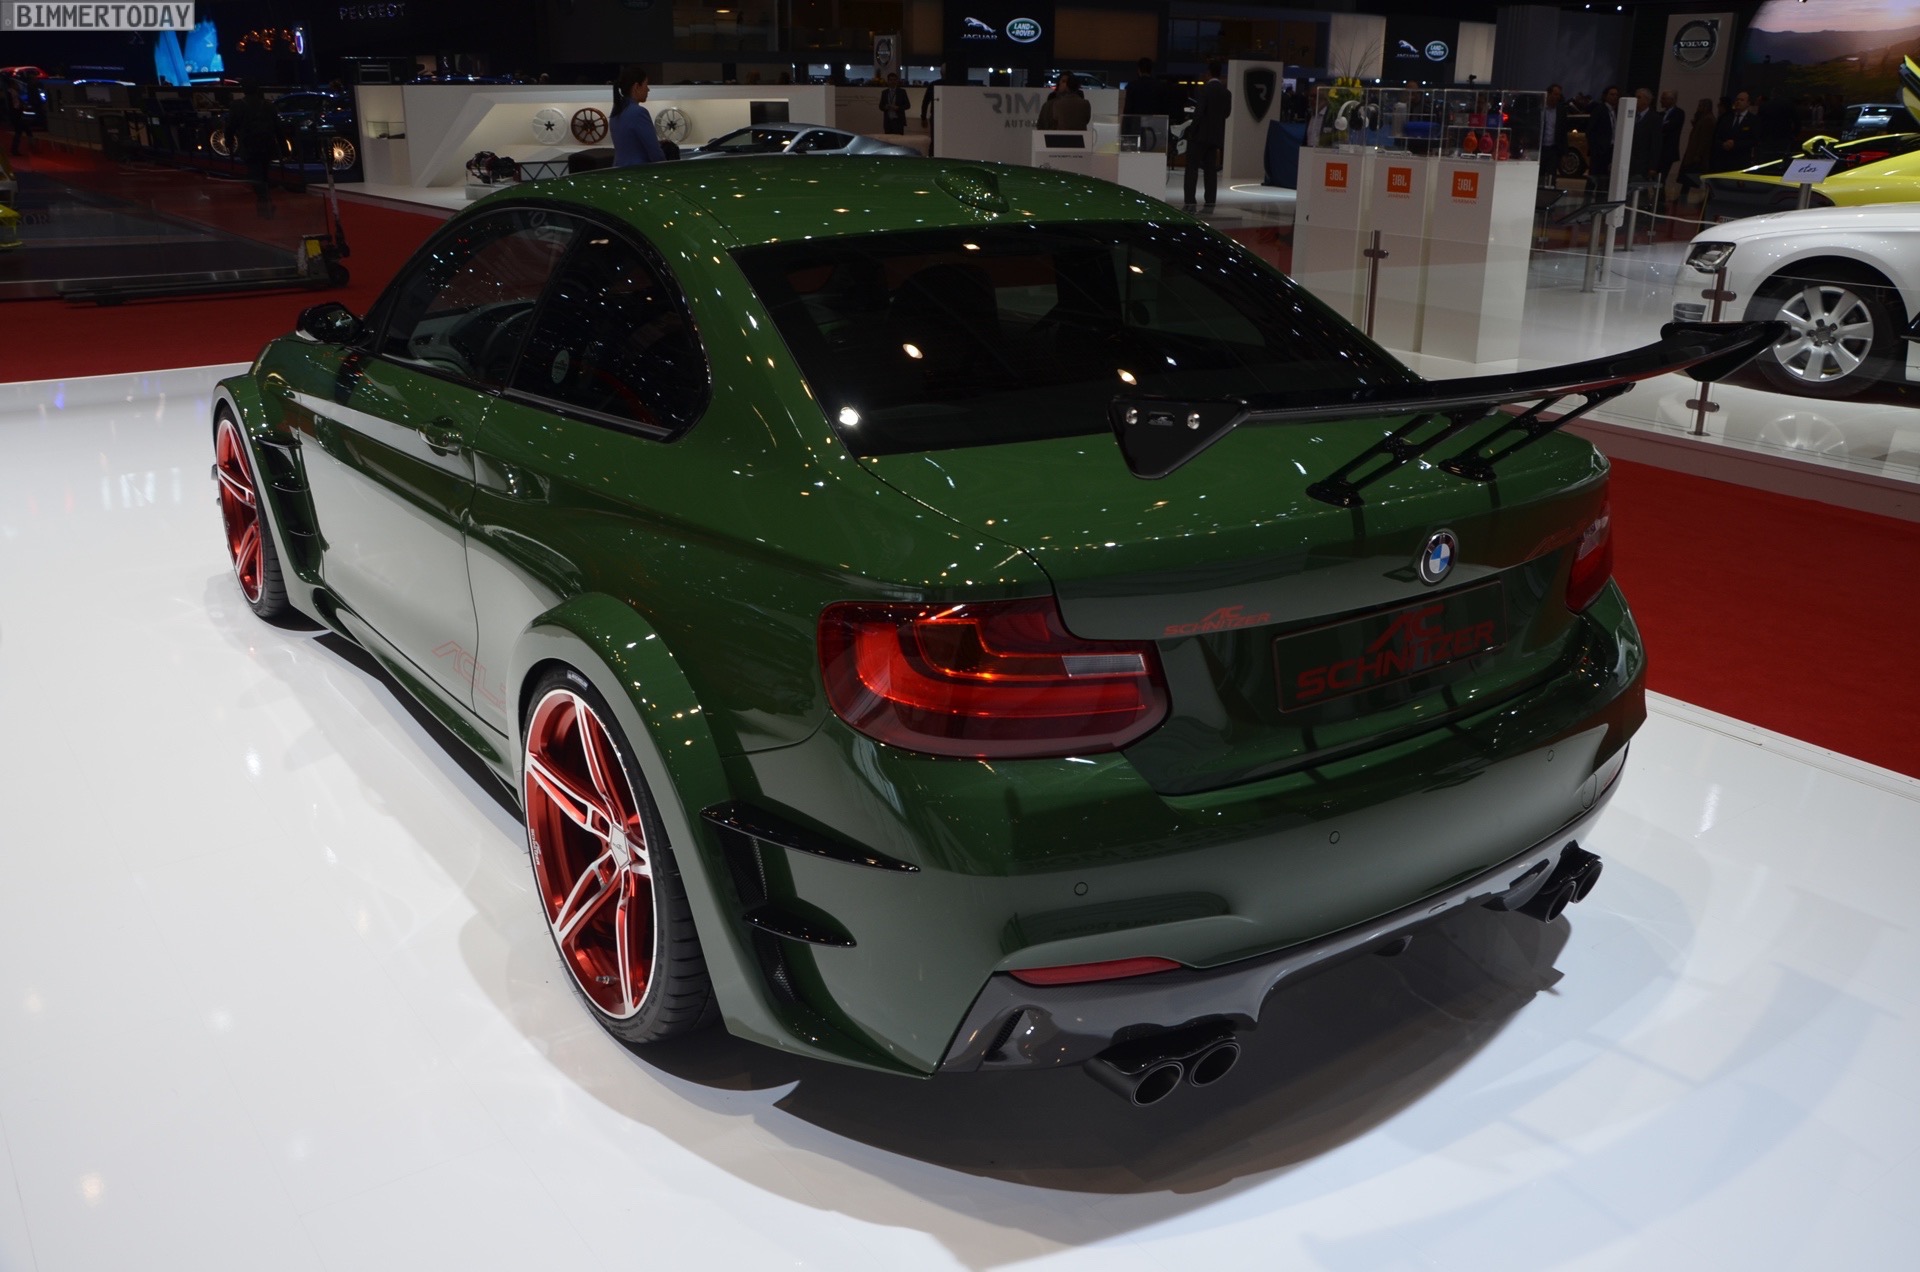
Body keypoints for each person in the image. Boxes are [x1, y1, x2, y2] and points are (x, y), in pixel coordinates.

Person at [223, 82, 282, 216]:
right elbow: (278, 128)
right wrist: (283, 146)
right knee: (264, 170)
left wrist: (229, 141)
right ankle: (265, 196)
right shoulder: (268, 105)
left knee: (255, 172)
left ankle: (262, 198)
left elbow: (230, 126)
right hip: (267, 143)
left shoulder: (237, 105)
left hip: (249, 144)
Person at [1184, 60, 1231, 213]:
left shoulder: (1204, 90)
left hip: (1199, 136)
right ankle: (1210, 203)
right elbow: (1226, 114)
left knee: (1192, 169)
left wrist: (1191, 130)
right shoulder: (1226, 93)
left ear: (1208, 73)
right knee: (1210, 170)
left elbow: (1199, 113)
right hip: (1215, 137)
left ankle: (1190, 203)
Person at [611, 66, 665, 167]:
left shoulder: (616, 112)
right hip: (639, 171)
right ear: (636, 87)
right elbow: (655, 153)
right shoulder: (639, 112)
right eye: (646, 85)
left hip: (619, 169)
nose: (648, 89)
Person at [1678, 96, 1717, 197]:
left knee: (1690, 178)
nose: (1698, 108)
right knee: (1687, 179)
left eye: (1700, 106)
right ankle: (1682, 196)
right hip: (1694, 153)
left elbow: (1704, 139)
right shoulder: (1703, 118)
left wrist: (1698, 154)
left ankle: (1684, 197)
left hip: (1696, 155)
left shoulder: (1708, 120)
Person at [1713, 90, 1757, 169]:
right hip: (1723, 160)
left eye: (1742, 100)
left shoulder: (1753, 120)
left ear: (1748, 103)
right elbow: (1717, 136)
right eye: (1737, 99)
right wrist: (1723, 144)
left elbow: (1754, 140)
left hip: (1741, 160)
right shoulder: (1727, 118)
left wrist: (1735, 144)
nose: (1738, 102)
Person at [1538, 83, 1566, 186]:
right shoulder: (1540, 109)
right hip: (1540, 148)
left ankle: (1550, 191)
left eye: (1559, 95)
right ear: (1548, 94)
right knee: (1539, 174)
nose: (1557, 97)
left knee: (1551, 175)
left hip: (1553, 149)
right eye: (1555, 94)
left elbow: (1563, 132)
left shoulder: (1561, 111)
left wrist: (1564, 153)